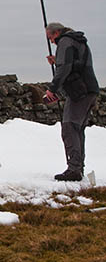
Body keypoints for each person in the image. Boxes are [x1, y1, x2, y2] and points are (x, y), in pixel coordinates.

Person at [45, 23, 99, 181]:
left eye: (51, 38)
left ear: (56, 33)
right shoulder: (78, 40)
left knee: (69, 128)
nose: (52, 42)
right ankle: (77, 167)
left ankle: (74, 169)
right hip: (89, 89)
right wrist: (58, 60)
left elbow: (65, 68)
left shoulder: (66, 42)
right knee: (77, 128)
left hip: (79, 91)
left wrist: (52, 89)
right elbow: (75, 64)